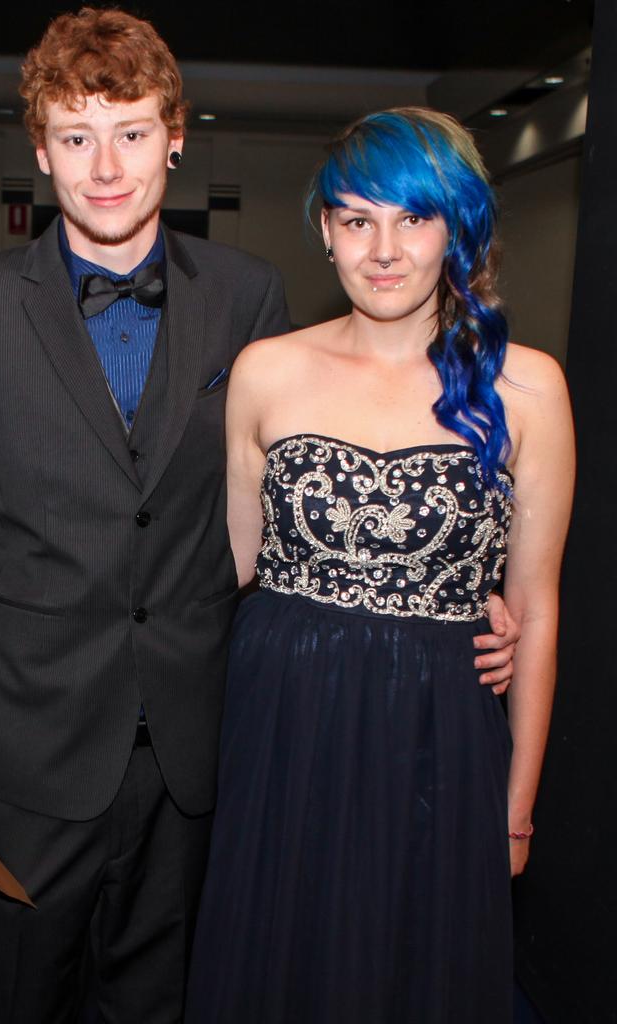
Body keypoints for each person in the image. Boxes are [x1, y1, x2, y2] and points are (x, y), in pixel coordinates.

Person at [0, 8, 517, 1016]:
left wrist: (464, 595)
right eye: (76, 136)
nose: (106, 166)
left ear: (176, 137)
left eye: (132, 132)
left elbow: (304, 496)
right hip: (28, 750)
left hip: (202, 745)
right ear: (41, 153)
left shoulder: (249, 296)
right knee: (14, 996)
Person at [185, 108, 574, 1024]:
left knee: (413, 974)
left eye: (414, 218)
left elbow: (539, 609)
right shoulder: (265, 371)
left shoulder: (531, 387)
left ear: (458, 229)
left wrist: (516, 808)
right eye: (358, 220)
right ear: (325, 230)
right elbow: (224, 569)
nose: (384, 249)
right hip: (282, 720)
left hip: (438, 733)